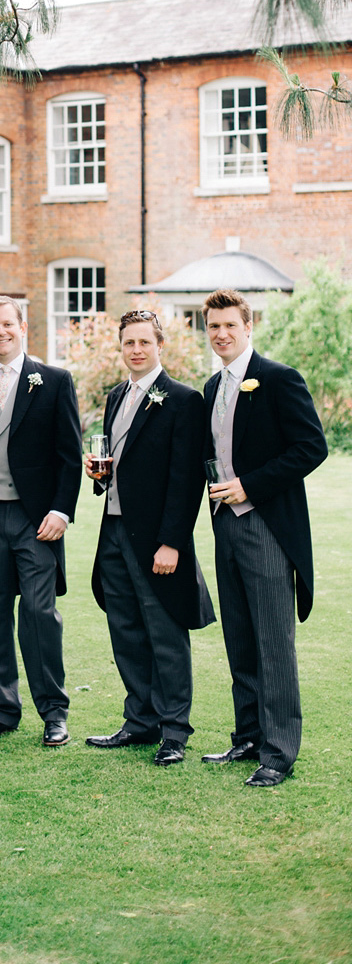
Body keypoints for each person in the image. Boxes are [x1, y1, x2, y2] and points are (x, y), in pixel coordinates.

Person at [200, 288, 327, 786]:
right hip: (225, 527)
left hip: (268, 527)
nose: (222, 334)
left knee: (274, 642)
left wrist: (249, 485)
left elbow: (310, 447)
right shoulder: (212, 387)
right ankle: (248, 736)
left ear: (248, 327)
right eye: (213, 327)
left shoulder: (278, 379)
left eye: (230, 325)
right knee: (240, 638)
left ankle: (278, 752)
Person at [84, 309, 214, 765]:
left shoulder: (182, 400)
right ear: (120, 348)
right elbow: (121, 465)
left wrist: (172, 542)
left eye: (144, 342)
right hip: (115, 532)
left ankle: (175, 731)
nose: (136, 350)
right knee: (126, 631)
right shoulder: (116, 396)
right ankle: (141, 722)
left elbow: (185, 479)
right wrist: (99, 476)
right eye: (128, 343)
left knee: (165, 633)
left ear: (160, 345)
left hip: (157, 539)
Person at [0, 295, 82, 748]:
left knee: (38, 614)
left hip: (36, 520)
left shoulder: (54, 380)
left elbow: (70, 456)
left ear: (22, 326)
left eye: (8, 324)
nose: (0, 333)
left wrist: (61, 510)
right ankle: (3, 708)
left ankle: (54, 711)